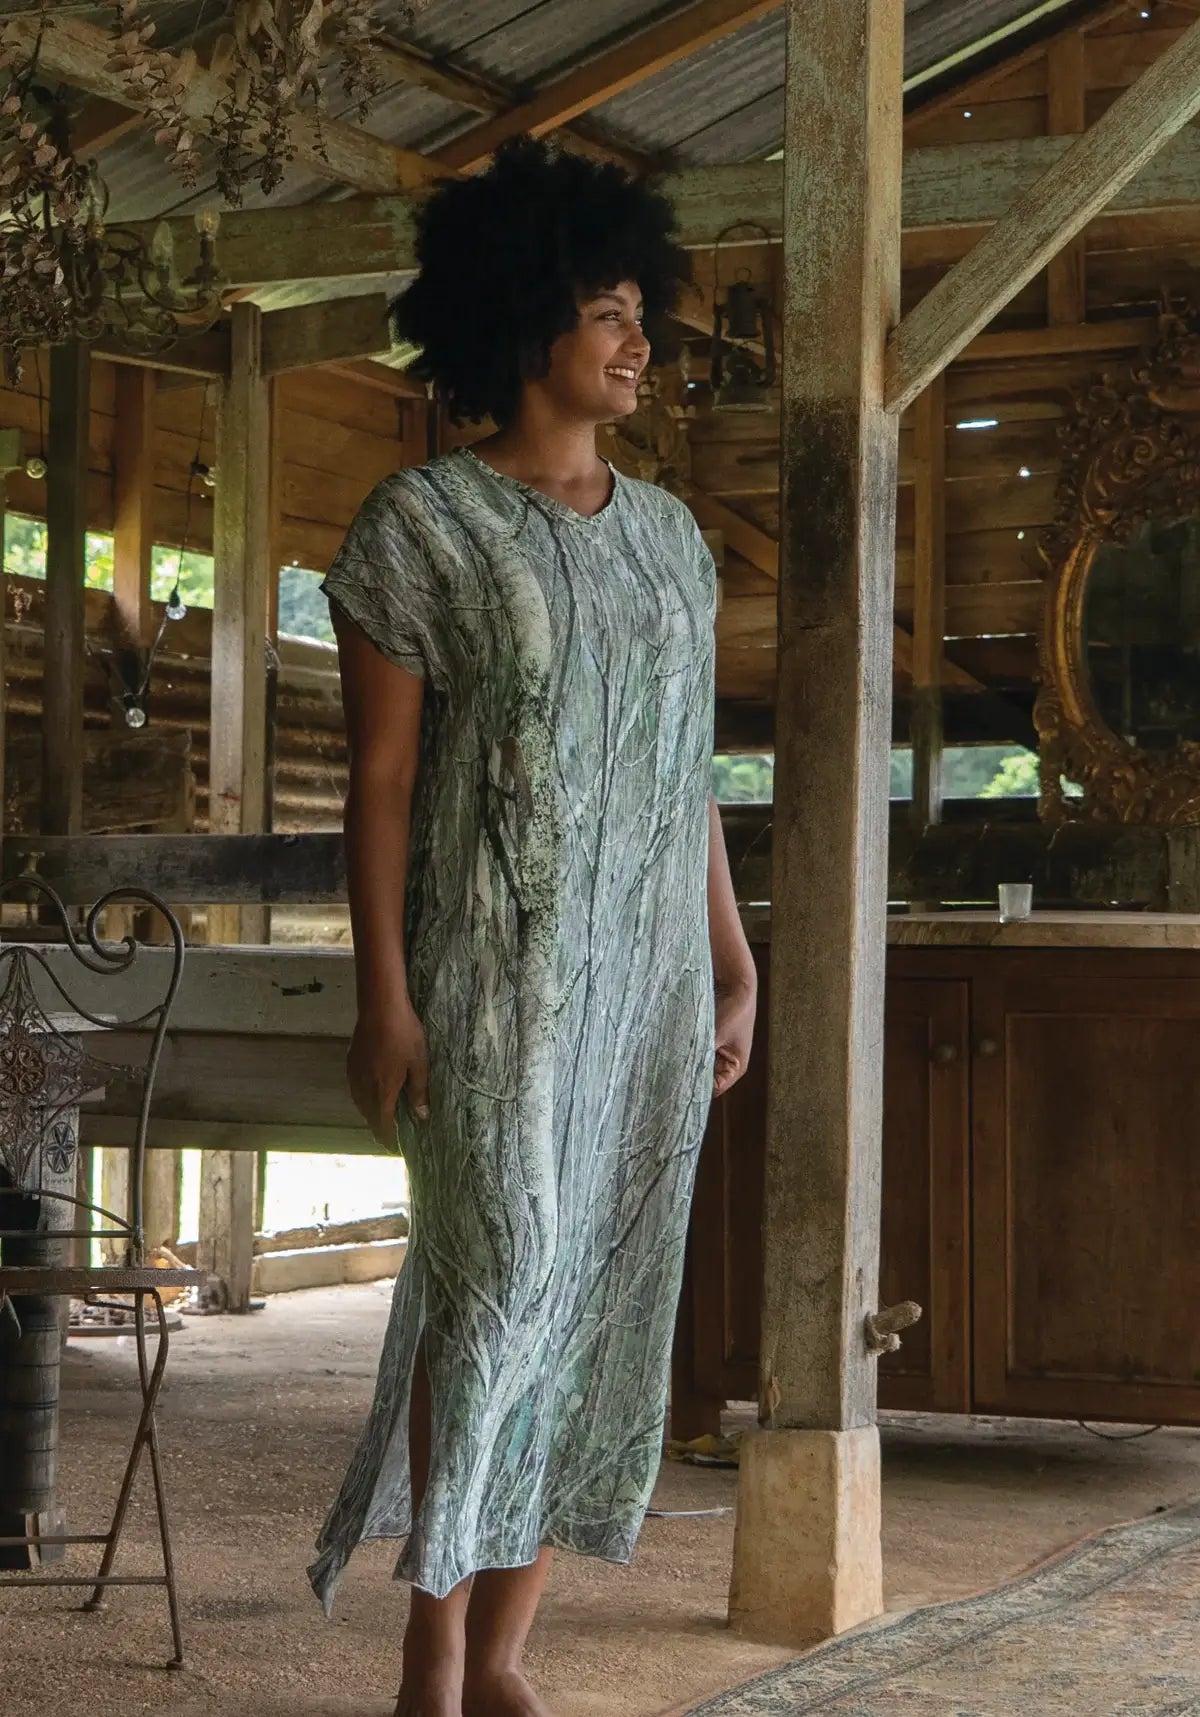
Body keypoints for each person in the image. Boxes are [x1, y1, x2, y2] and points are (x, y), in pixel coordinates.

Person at [308, 135, 758, 1717]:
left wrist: (733, 957)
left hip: (645, 988)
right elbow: (379, 784)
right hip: (489, 983)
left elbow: (684, 775)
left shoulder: (674, 543)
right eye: (608, 312)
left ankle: (506, 1649)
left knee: (603, 1297)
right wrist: (384, 998)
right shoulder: (421, 527)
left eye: (642, 310)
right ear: (525, 324)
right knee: (495, 1282)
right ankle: (432, 1640)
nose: (639, 341)